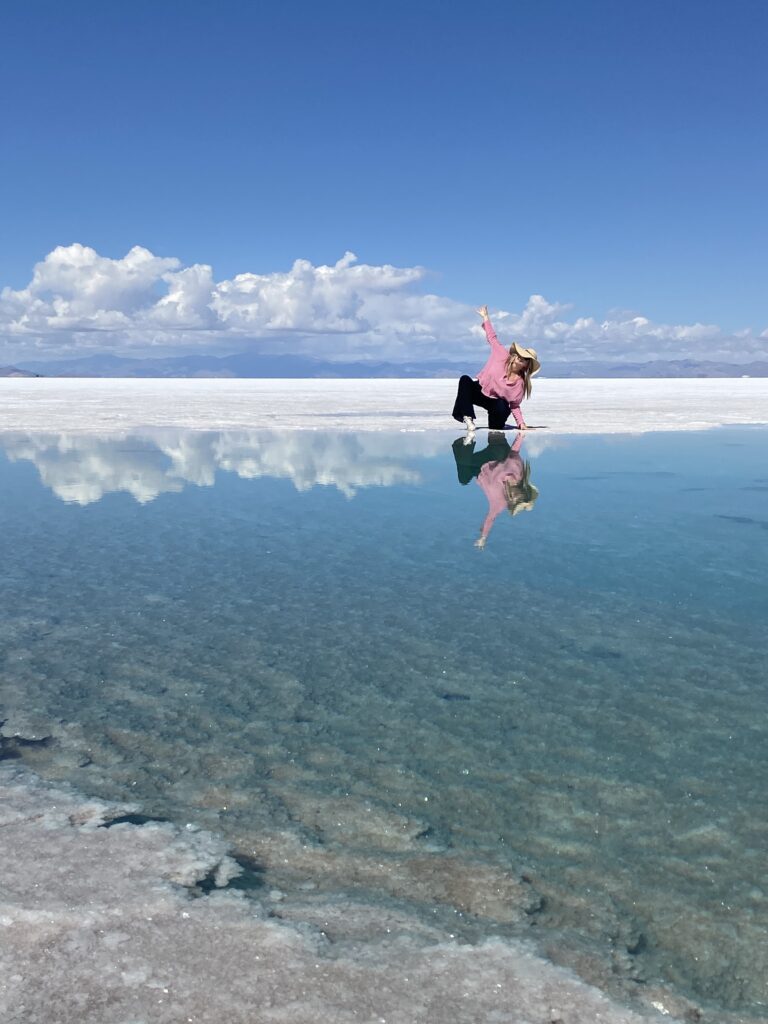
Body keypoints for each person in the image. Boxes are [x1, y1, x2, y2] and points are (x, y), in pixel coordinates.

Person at [452, 305, 540, 434]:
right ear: (515, 356)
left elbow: (514, 406)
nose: (522, 358)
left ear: (526, 365)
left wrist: (521, 423)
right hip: (479, 391)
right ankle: (468, 417)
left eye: (526, 359)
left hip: (495, 403)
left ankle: (494, 447)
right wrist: (486, 317)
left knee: (497, 425)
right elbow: (492, 337)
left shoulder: (519, 384)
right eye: (521, 355)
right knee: (465, 380)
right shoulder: (501, 354)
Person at [451, 431, 539, 548]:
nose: (516, 497)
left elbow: (490, 518)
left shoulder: (500, 503)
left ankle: (465, 443)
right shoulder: (518, 474)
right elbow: (514, 452)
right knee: (500, 450)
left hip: (480, 466)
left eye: (516, 501)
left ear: (513, 503)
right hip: (496, 455)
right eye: (520, 496)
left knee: (463, 478)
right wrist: (521, 436)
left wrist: (483, 537)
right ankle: (496, 432)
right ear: (522, 490)